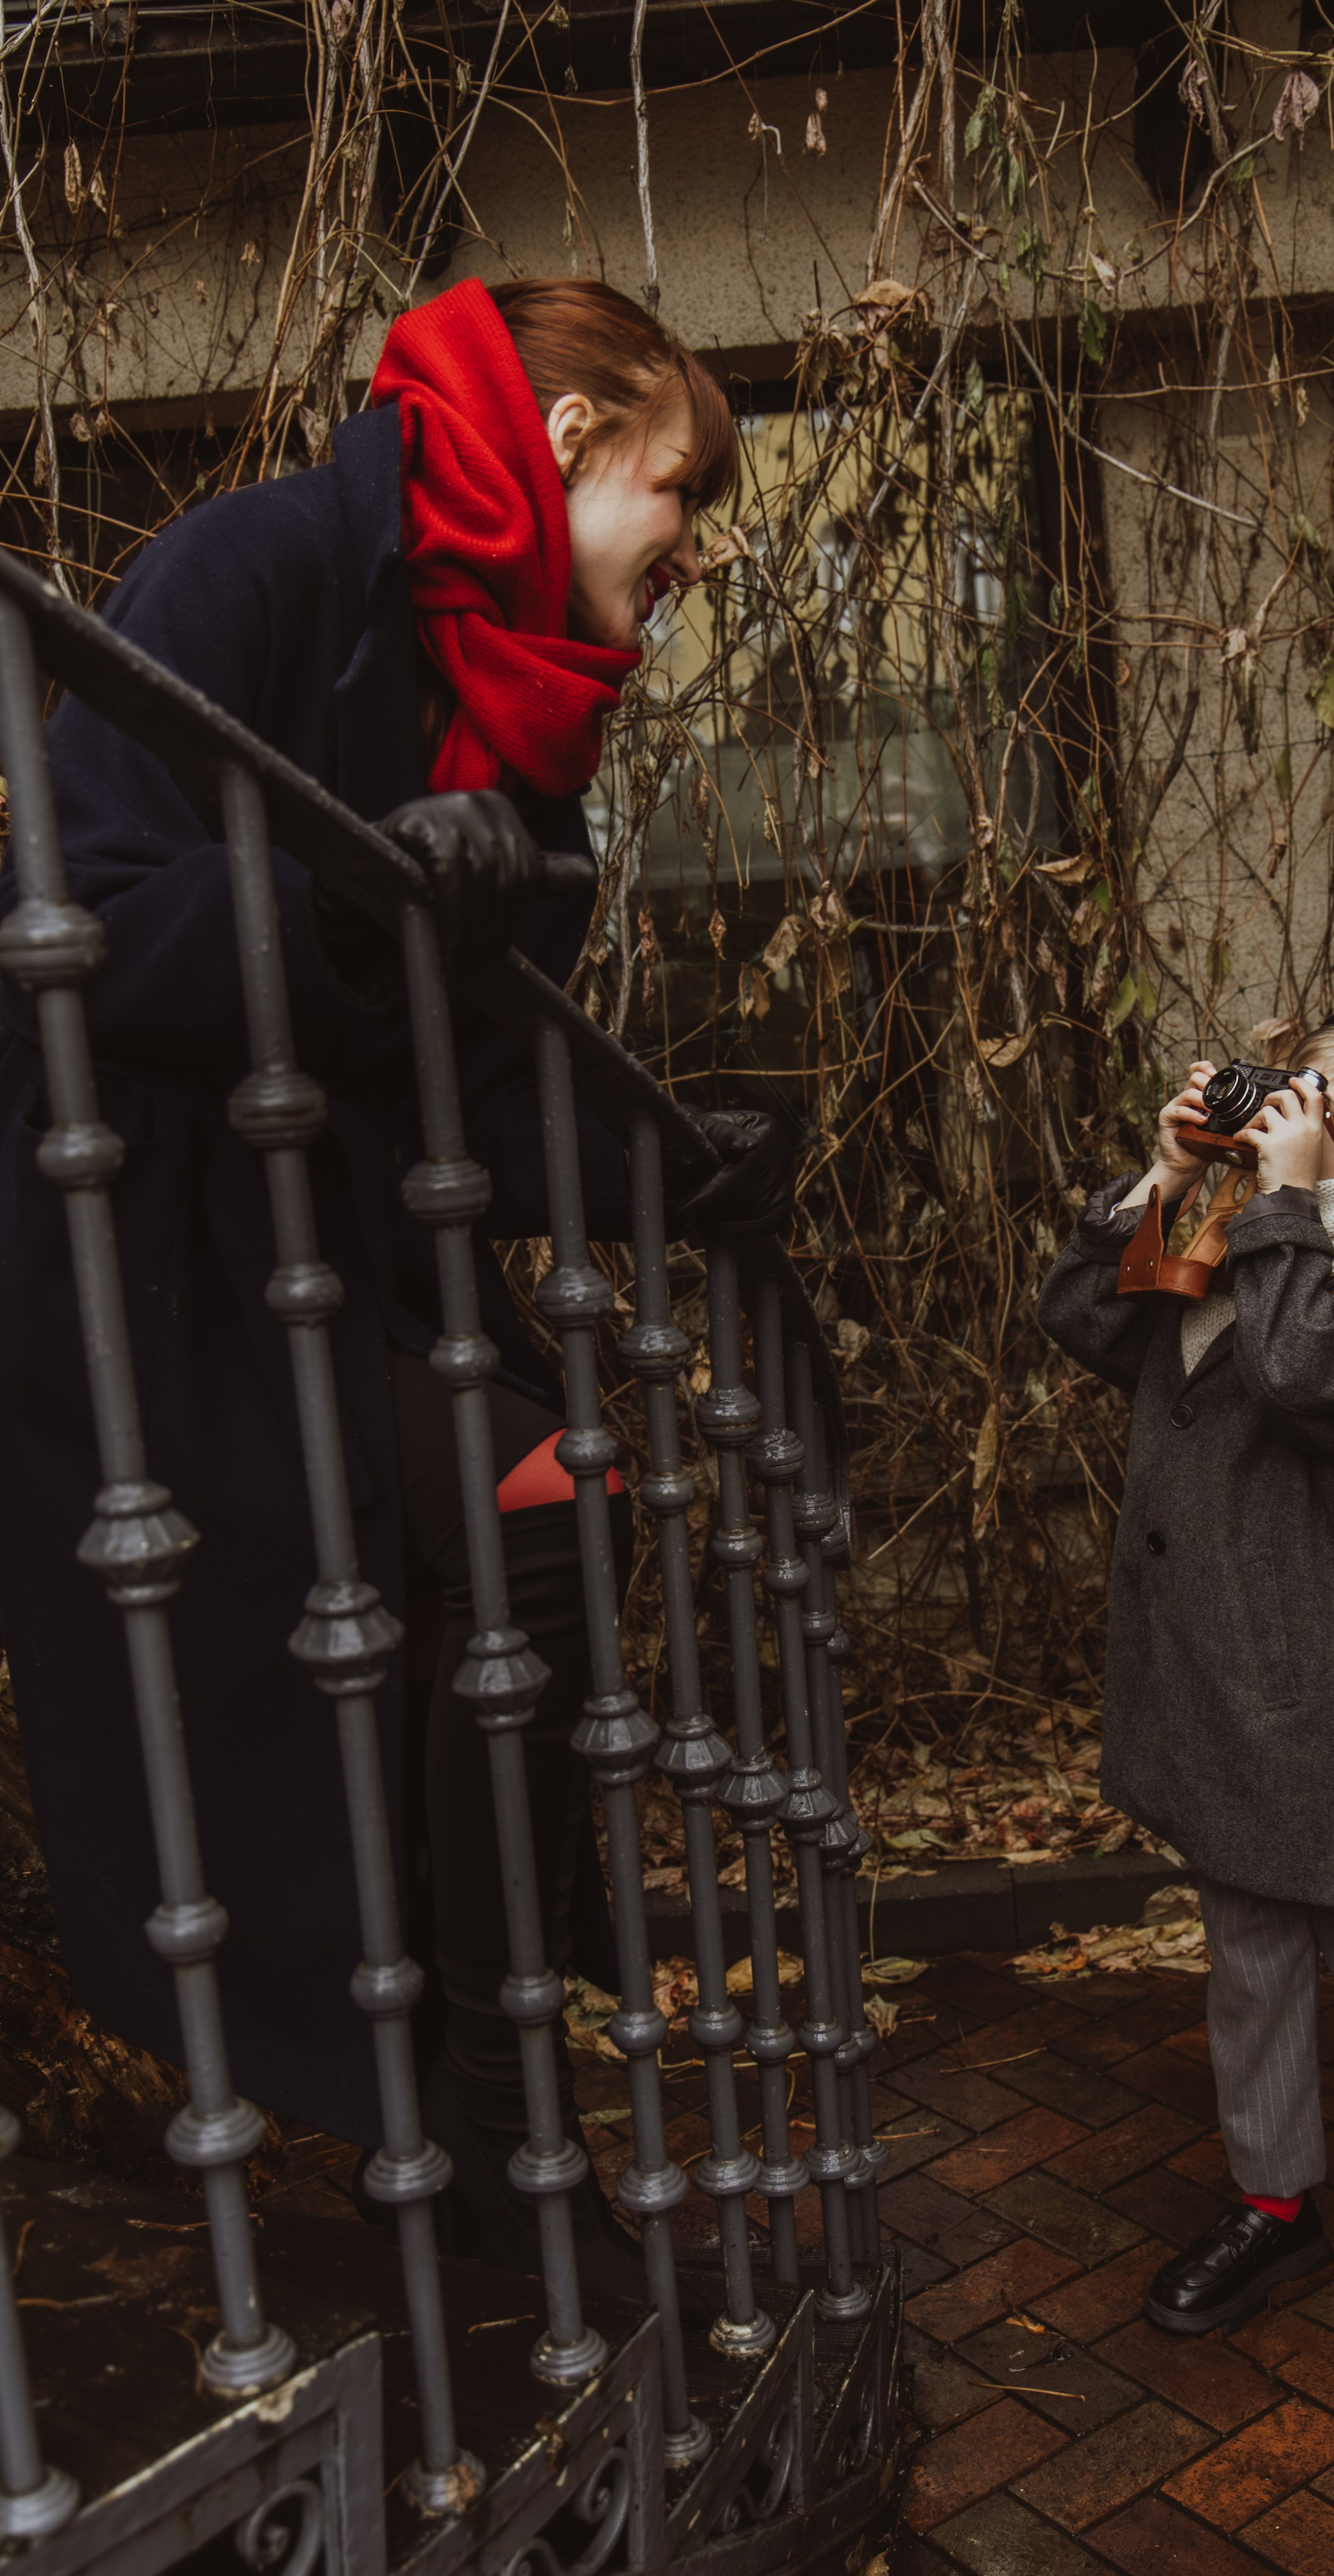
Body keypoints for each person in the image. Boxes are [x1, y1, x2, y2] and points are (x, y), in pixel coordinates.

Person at [0, 276, 790, 2288]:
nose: (688, 548)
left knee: (551, 1509)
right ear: (566, 441)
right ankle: (458, 2096)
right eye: (674, 488)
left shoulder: (514, 699)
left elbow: (480, 1058)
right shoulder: (262, 561)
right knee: (465, 1554)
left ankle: (484, 2071)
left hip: (341, 1261)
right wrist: (352, 882)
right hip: (158, 1271)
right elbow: (75, 907)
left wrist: (668, 1180)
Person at [1038, 1009, 1334, 2373]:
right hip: (1211, 1661)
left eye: (1329, 1088)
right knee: (1245, 1950)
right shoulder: (1242, 1217)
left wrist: (1281, 1205)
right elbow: (1080, 1321)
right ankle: (1270, 2204)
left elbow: (1301, 1371)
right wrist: (1171, 1179)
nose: (1293, 1097)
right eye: (1291, 1076)